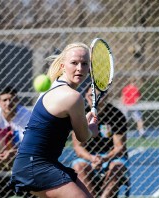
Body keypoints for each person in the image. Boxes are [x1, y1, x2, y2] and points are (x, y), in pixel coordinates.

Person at [10, 42, 100, 198]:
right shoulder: (73, 97)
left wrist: (84, 124)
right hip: (34, 166)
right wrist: (91, 130)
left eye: (84, 63)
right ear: (63, 65)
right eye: (74, 63)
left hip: (38, 163)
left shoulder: (52, 87)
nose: (79, 68)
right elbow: (83, 137)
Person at [72, 86, 129, 198]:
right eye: (91, 96)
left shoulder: (116, 115)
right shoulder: (80, 115)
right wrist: (92, 158)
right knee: (78, 166)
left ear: (105, 97)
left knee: (117, 167)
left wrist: (105, 159)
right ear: (86, 97)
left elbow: (119, 147)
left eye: (99, 96)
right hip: (88, 157)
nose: (95, 99)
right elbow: (78, 147)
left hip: (112, 157)